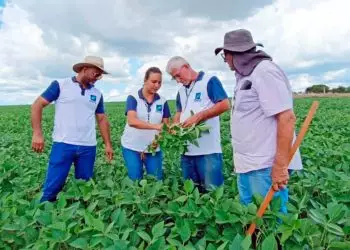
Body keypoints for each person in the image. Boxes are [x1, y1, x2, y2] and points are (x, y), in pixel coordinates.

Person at [215, 29, 303, 213]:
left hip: (265, 165)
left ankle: (275, 243)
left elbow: (286, 118)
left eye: (225, 56)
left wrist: (280, 166)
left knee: (270, 220)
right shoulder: (244, 75)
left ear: (234, 54)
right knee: (250, 217)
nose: (226, 62)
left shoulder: (264, 72)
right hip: (247, 164)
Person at [31, 56, 114, 202]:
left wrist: (108, 144)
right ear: (84, 69)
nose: (99, 77)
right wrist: (37, 134)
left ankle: (79, 218)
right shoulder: (61, 85)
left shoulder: (97, 94)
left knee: (84, 188)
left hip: (88, 146)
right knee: (52, 187)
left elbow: (101, 119)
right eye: (96, 73)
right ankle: (42, 220)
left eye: (101, 75)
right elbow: (37, 105)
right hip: (63, 144)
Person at [165, 56, 230, 192]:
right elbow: (179, 112)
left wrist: (199, 116)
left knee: (212, 192)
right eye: (174, 78)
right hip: (187, 151)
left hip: (208, 152)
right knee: (192, 192)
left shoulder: (209, 81)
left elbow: (224, 104)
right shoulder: (182, 90)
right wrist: (175, 125)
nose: (178, 80)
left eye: (178, 75)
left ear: (187, 67)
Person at [121, 67, 171, 181]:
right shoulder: (133, 98)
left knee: (156, 180)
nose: (157, 85)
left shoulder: (163, 101)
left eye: (159, 82)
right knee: (135, 179)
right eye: (154, 82)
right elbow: (132, 121)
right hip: (132, 146)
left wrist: (156, 142)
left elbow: (165, 125)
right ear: (145, 80)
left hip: (153, 148)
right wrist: (155, 126)